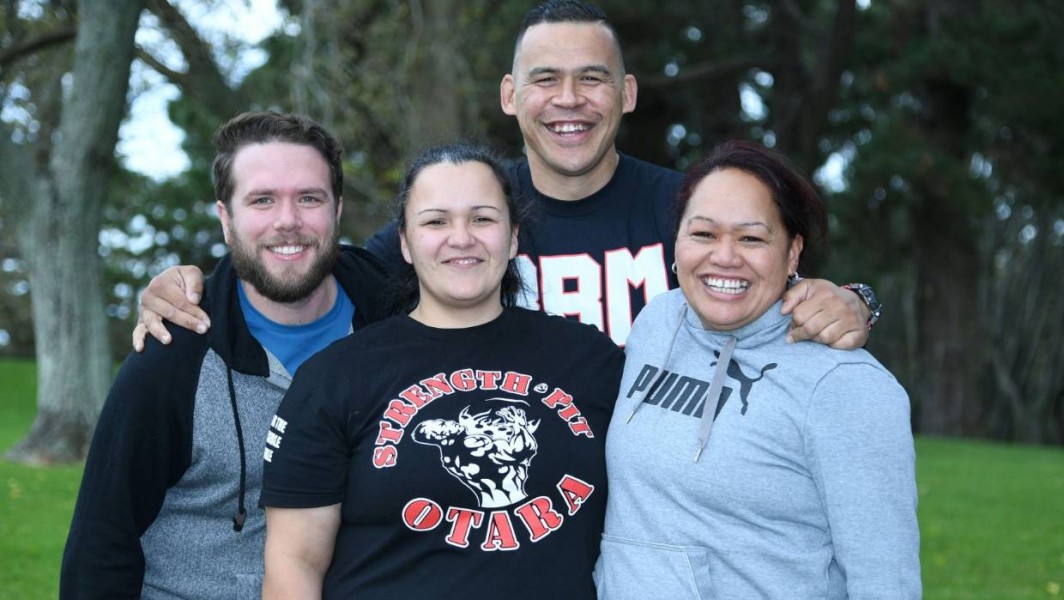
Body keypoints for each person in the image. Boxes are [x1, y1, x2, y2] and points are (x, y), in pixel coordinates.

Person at [131, 0, 876, 351]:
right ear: (510, 97)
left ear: (627, 94)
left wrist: (854, 301)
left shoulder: (684, 209)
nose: (570, 101)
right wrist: (186, 282)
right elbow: (307, 271)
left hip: (662, 501)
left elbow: (792, 289)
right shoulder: (468, 220)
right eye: (545, 79)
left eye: (592, 78)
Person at [259, 143, 624, 599]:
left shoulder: (590, 359)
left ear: (513, 237)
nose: (461, 238)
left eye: (482, 218)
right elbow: (294, 565)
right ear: (406, 244)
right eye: (435, 221)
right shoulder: (336, 377)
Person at [59, 112, 389, 598]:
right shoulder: (173, 357)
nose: (288, 221)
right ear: (225, 219)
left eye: (309, 198)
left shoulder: (397, 324)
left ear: (337, 210)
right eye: (262, 200)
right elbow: (101, 543)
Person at [594, 140, 920, 598]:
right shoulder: (657, 323)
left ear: (792, 253)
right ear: (676, 242)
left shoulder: (845, 386)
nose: (724, 256)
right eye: (703, 234)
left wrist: (860, 299)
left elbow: (886, 581)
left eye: (751, 238)